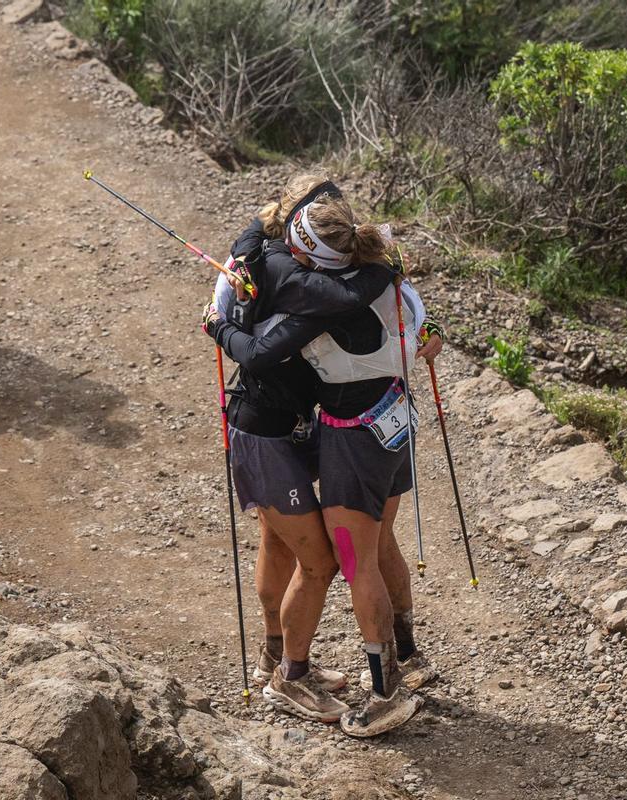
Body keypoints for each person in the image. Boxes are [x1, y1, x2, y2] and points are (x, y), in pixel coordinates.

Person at [206, 196, 443, 737]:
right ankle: (392, 659)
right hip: (390, 415)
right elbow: (425, 332)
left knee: (353, 560)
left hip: (347, 434)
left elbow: (260, 351)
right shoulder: (387, 273)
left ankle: (382, 691)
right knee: (365, 546)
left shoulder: (314, 298)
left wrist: (218, 325)